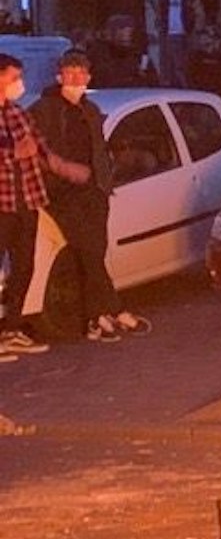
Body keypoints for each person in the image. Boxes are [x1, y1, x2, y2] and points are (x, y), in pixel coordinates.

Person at [27, 52, 152, 342]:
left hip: (94, 192)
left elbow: (99, 147)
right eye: (69, 73)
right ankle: (113, 309)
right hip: (62, 193)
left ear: (88, 77)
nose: (75, 79)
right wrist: (63, 169)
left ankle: (96, 319)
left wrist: (103, 179)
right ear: (59, 76)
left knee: (93, 252)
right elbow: (34, 149)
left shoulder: (91, 110)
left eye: (80, 73)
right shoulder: (44, 109)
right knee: (87, 252)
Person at [1, 53, 61, 357]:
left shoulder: (17, 112)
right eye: (13, 78)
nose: (18, 84)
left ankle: (11, 329)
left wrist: (42, 155)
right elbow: (16, 150)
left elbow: (37, 143)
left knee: (24, 266)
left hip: (27, 200)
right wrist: (16, 152)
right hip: (2, 204)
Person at [161, 0, 191, 86]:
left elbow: (191, 12)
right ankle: (174, 83)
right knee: (170, 61)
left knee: (182, 61)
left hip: (182, 33)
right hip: (169, 32)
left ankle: (183, 84)